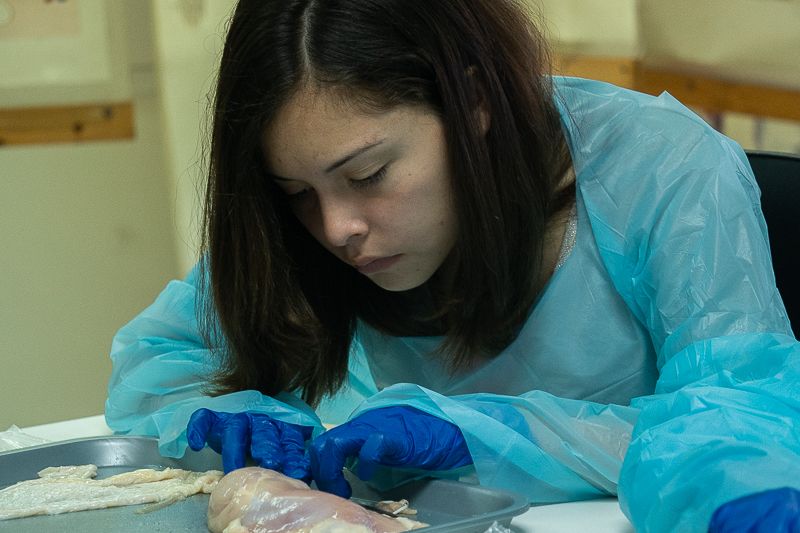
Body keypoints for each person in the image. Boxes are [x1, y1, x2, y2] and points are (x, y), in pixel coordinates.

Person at [104, 0, 800, 531]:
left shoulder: (662, 169)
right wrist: (230, 411)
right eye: (297, 193)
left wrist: (488, 433)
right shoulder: (305, 225)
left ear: (473, 103)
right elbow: (161, 359)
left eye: (368, 174)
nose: (337, 228)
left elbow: (739, 415)